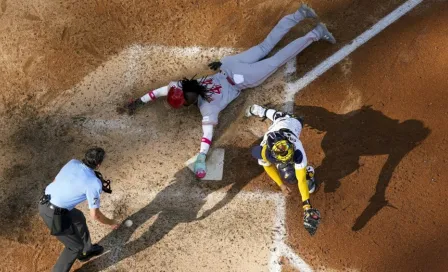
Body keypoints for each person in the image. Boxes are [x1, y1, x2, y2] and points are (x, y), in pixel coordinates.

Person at [124, 4, 336, 179]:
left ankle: (316, 33)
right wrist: (138, 102)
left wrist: (201, 158)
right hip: (230, 65)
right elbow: (159, 92)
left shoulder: (208, 108)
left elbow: (207, 136)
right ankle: (300, 13)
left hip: (243, 79)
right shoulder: (183, 85)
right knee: (265, 46)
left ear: (187, 102)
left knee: (277, 59)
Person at [38, 147, 119, 272]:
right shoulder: (94, 183)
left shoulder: (73, 162)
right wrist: (111, 222)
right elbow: (95, 215)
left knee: (78, 217)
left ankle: (87, 250)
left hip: (46, 201)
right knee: (74, 247)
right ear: (98, 164)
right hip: (53, 214)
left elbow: (55, 181)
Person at [246, 104, 321, 236]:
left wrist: (307, 206)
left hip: (293, 123)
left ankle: (310, 171)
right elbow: (267, 166)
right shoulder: (264, 152)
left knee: (302, 181)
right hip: (276, 129)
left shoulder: (297, 150)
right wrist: (280, 185)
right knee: (278, 118)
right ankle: (260, 110)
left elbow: (301, 180)